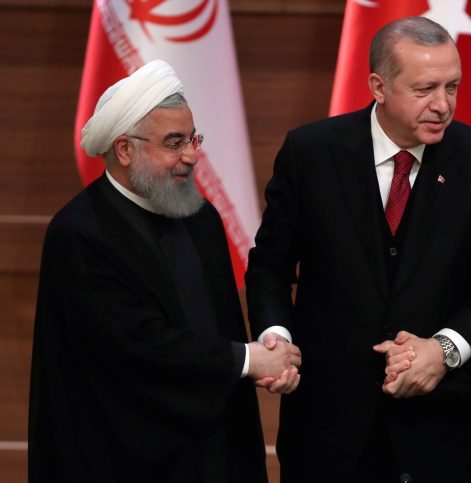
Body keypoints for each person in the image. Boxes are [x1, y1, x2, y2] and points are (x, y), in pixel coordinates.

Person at [246, 16, 471, 482]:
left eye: (452, 87)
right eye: (425, 89)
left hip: (435, 432)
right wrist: (278, 339)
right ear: (379, 86)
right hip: (326, 431)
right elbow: (270, 267)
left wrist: (445, 349)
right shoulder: (311, 152)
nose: (443, 105)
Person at [28, 60, 302, 483]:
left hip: (215, 450)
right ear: (124, 149)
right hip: (124, 455)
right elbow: (134, 348)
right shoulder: (80, 233)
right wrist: (249, 360)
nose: (192, 156)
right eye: (175, 143)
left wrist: (265, 353)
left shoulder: (200, 216)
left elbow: (223, 326)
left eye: (193, 139)